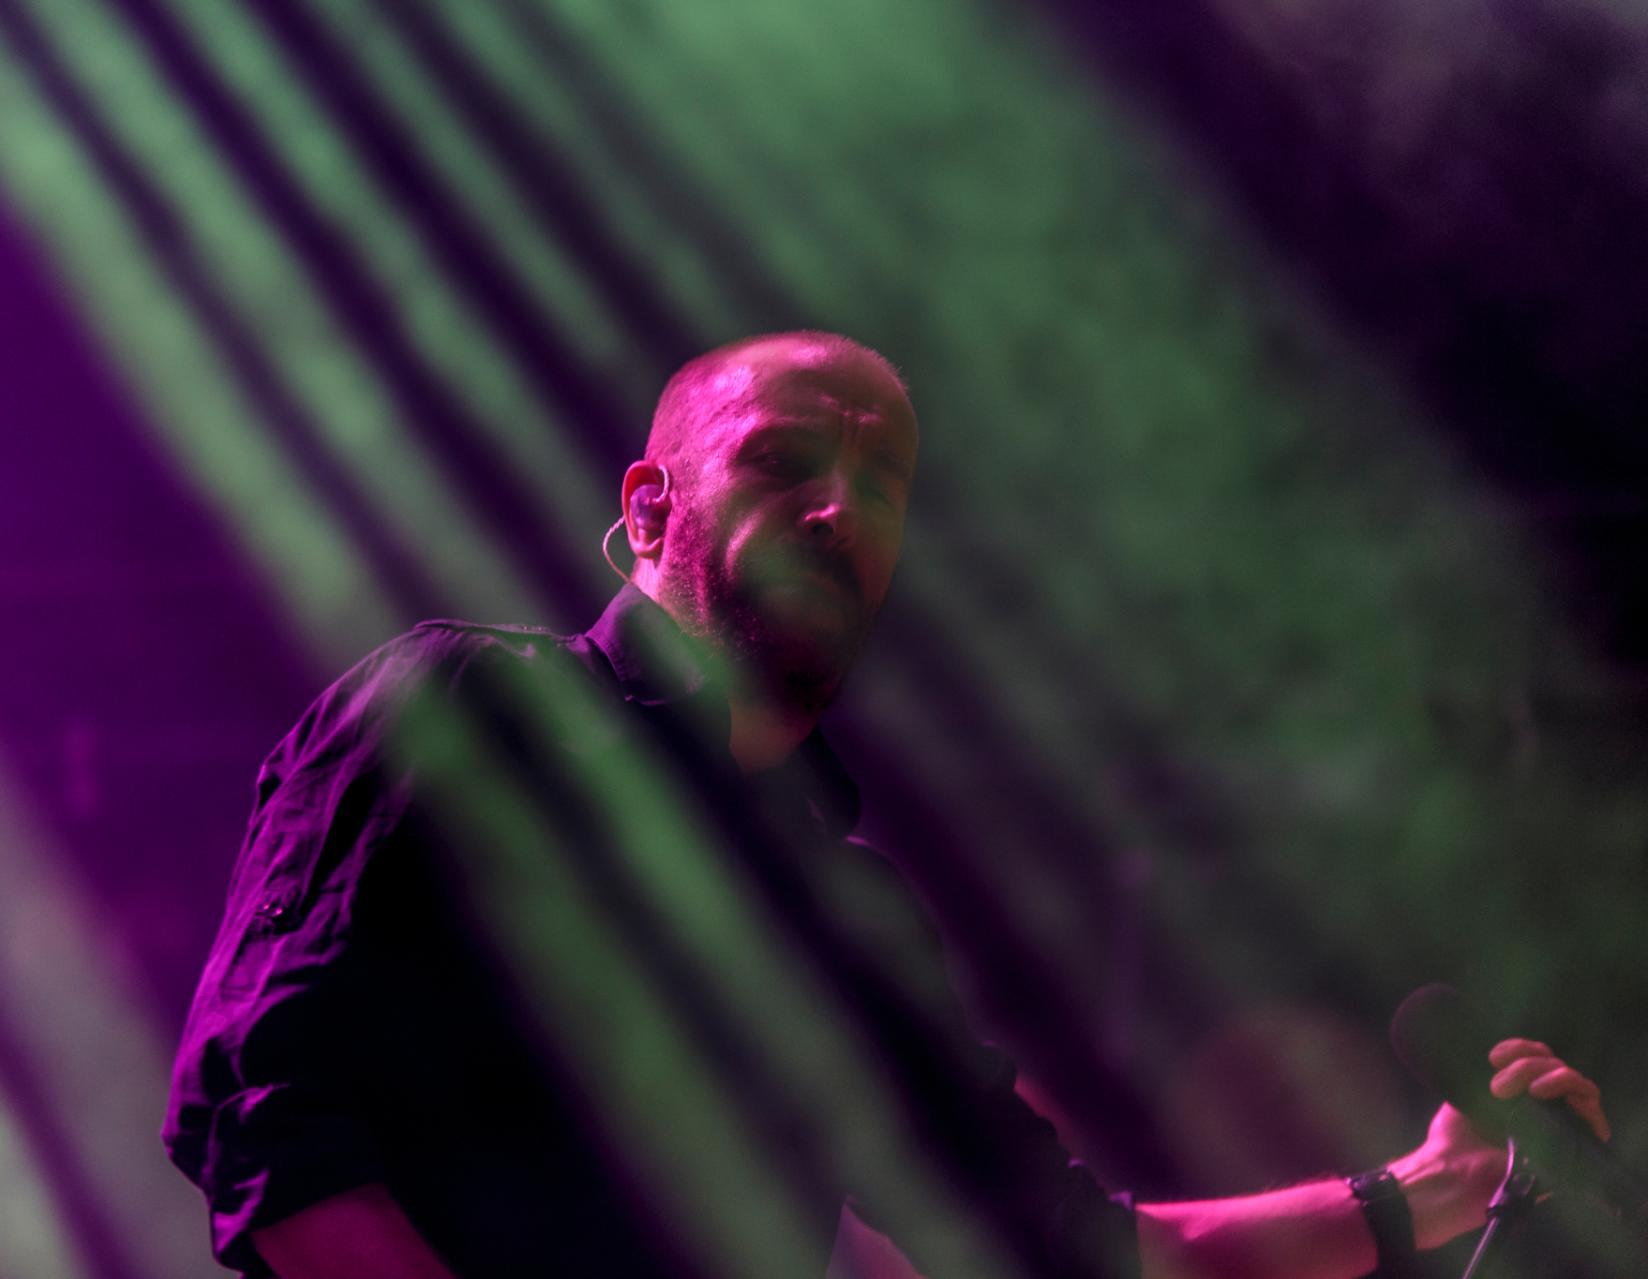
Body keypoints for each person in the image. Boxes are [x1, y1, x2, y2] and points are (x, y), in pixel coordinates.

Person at [164, 332, 1612, 1278]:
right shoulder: (468, 700)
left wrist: (1425, 1190)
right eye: (784, 461)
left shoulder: (847, 901)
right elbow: (265, 1118)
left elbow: (1074, 1251)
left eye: (883, 481)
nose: (839, 508)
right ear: (651, 507)